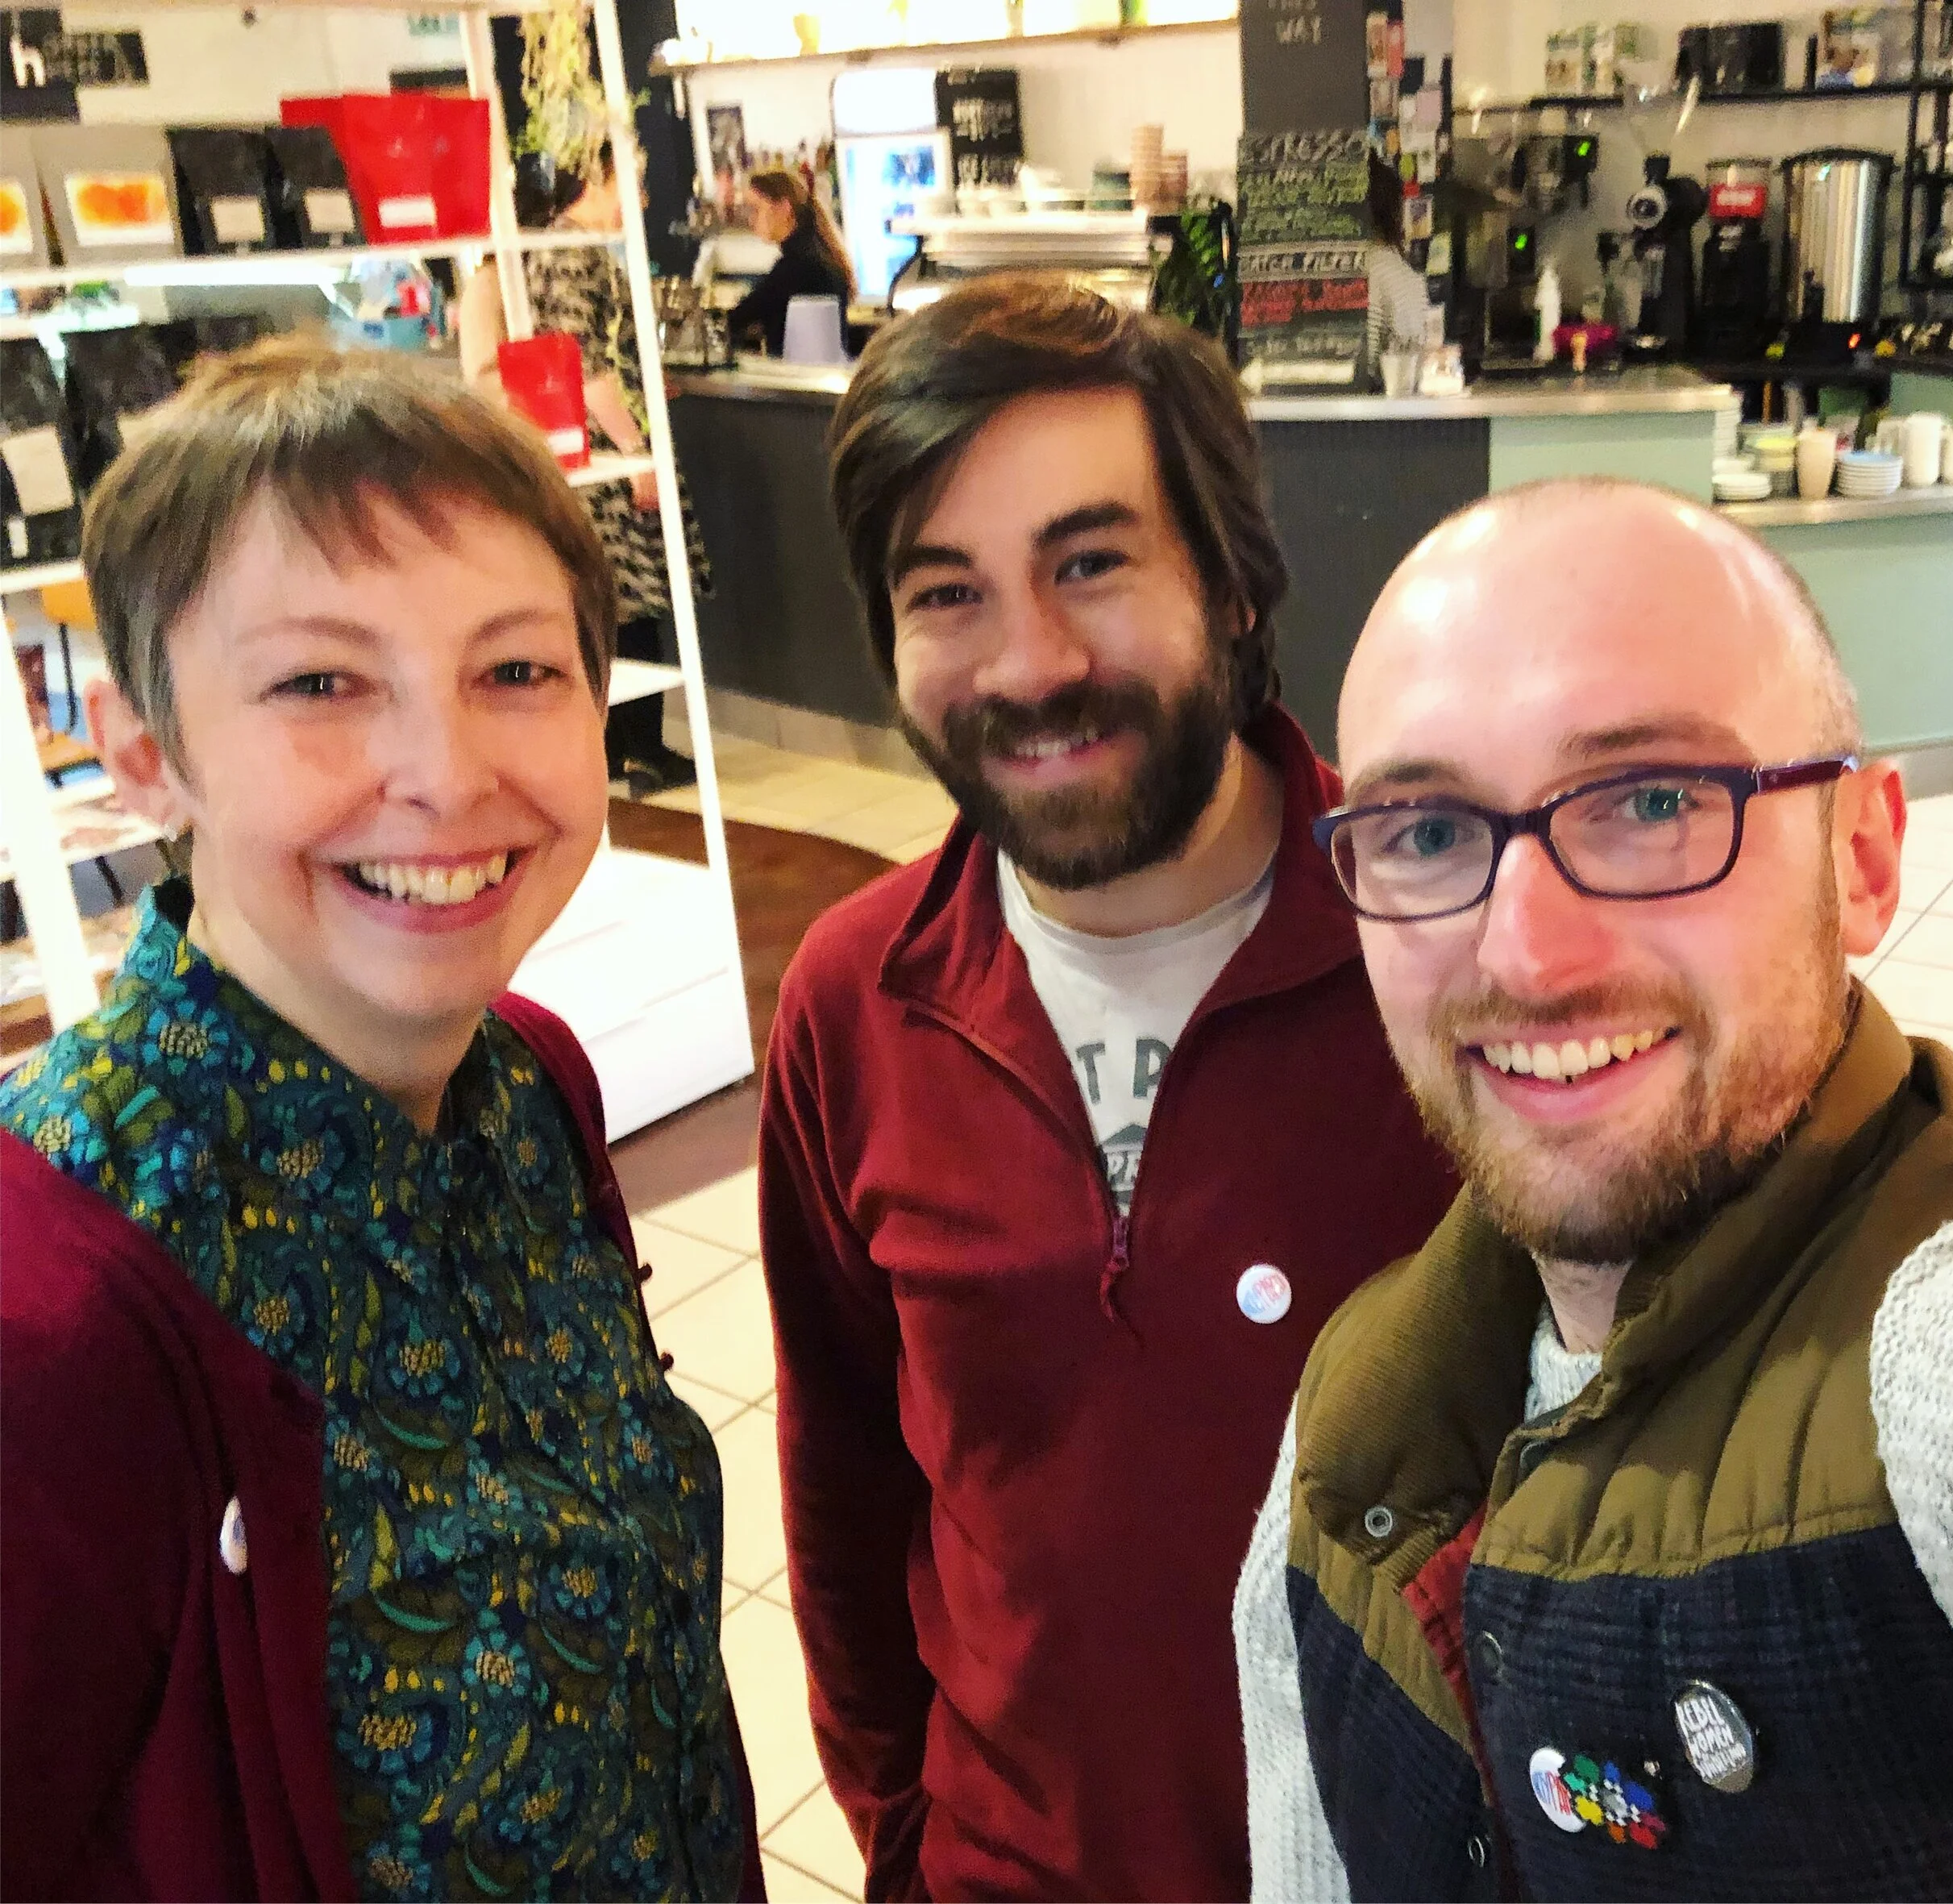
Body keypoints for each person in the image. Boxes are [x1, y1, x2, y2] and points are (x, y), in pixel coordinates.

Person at [0, 339, 758, 1902]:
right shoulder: (55, 1306)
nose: (445, 771)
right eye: (322, 682)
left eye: (515, 670)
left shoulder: (527, 1084)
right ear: (145, 750)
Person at [758, 276, 1456, 1902]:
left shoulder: (1445, 940)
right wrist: (904, 1835)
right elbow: (843, 1490)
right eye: (946, 593)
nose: (1032, 661)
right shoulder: (852, 1000)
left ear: (1226, 580)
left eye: (1089, 561)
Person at [1238, 476, 1953, 1902]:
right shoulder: (1348, 1422)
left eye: (1655, 801)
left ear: (1864, 852)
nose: (1527, 956)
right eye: (1425, 832)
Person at [505, 145, 709, 796]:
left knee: (613, 596)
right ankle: (639, 749)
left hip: (582, 448)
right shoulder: (576, 253)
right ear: (595, 176)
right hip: (602, 455)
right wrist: (633, 452)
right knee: (631, 597)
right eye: (634, 181)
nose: (640, 198)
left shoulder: (551, 248)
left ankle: (627, 748)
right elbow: (584, 364)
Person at [729, 167, 854, 359]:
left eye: (755, 209)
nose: (751, 220)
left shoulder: (796, 267)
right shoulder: (818, 255)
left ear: (784, 207)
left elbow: (740, 318)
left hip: (800, 379)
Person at [1363, 153, 1431, 373]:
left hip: (1375, 403)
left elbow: (1364, 364)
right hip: (1406, 398)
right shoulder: (1407, 271)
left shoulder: (1369, 269)